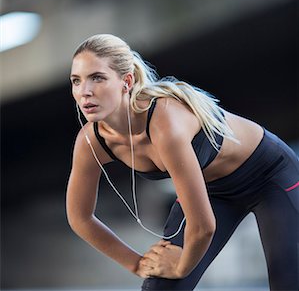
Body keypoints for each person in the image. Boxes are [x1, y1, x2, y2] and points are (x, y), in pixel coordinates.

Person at [66, 34, 299, 291]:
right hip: (210, 192)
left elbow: (203, 227)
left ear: (126, 81)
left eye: (97, 78)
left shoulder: (164, 122)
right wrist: (137, 263)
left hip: (270, 177)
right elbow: (80, 217)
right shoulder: (91, 142)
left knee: (288, 282)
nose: (84, 91)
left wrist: (181, 266)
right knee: (160, 288)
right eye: (76, 81)